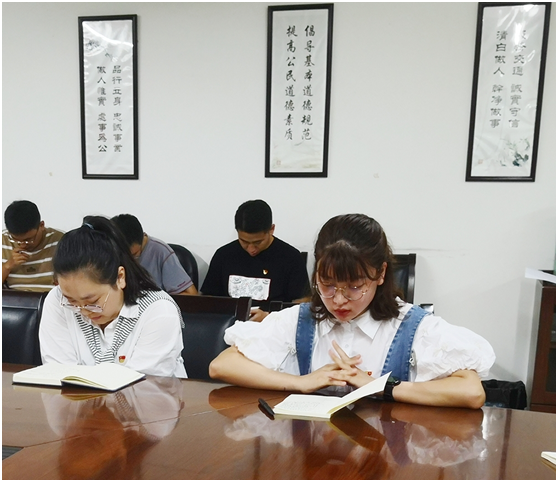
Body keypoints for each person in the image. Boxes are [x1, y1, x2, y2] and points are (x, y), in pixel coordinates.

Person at [210, 214, 495, 409]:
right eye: (327, 285)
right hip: (311, 455)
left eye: (355, 287)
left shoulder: (412, 325)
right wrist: (301, 382)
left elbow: (471, 392)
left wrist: (380, 386)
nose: (339, 300)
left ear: (380, 274)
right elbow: (222, 366)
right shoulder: (300, 319)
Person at [39, 216, 187, 378]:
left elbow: (141, 384)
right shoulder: (57, 300)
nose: (83, 311)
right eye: (72, 301)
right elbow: (59, 374)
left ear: (120, 277)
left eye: (92, 301)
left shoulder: (158, 310)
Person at [201, 200, 310, 321]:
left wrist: (270, 317)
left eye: (258, 242)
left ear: (271, 229)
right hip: (229, 323)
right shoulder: (223, 255)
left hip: (273, 324)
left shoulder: (291, 257)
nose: (251, 249)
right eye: (244, 242)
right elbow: (208, 299)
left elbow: (302, 303)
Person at [111, 214, 197, 295]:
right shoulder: (109, 252)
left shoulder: (161, 252)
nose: (130, 260)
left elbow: (191, 294)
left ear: (141, 238)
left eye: (135, 254)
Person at [2, 200, 64, 291]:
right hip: (14, 298)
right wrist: (8, 266)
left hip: (51, 297)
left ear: (41, 226)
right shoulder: (3, 240)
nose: (22, 244)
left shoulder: (62, 241)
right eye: (15, 239)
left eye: (28, 239)